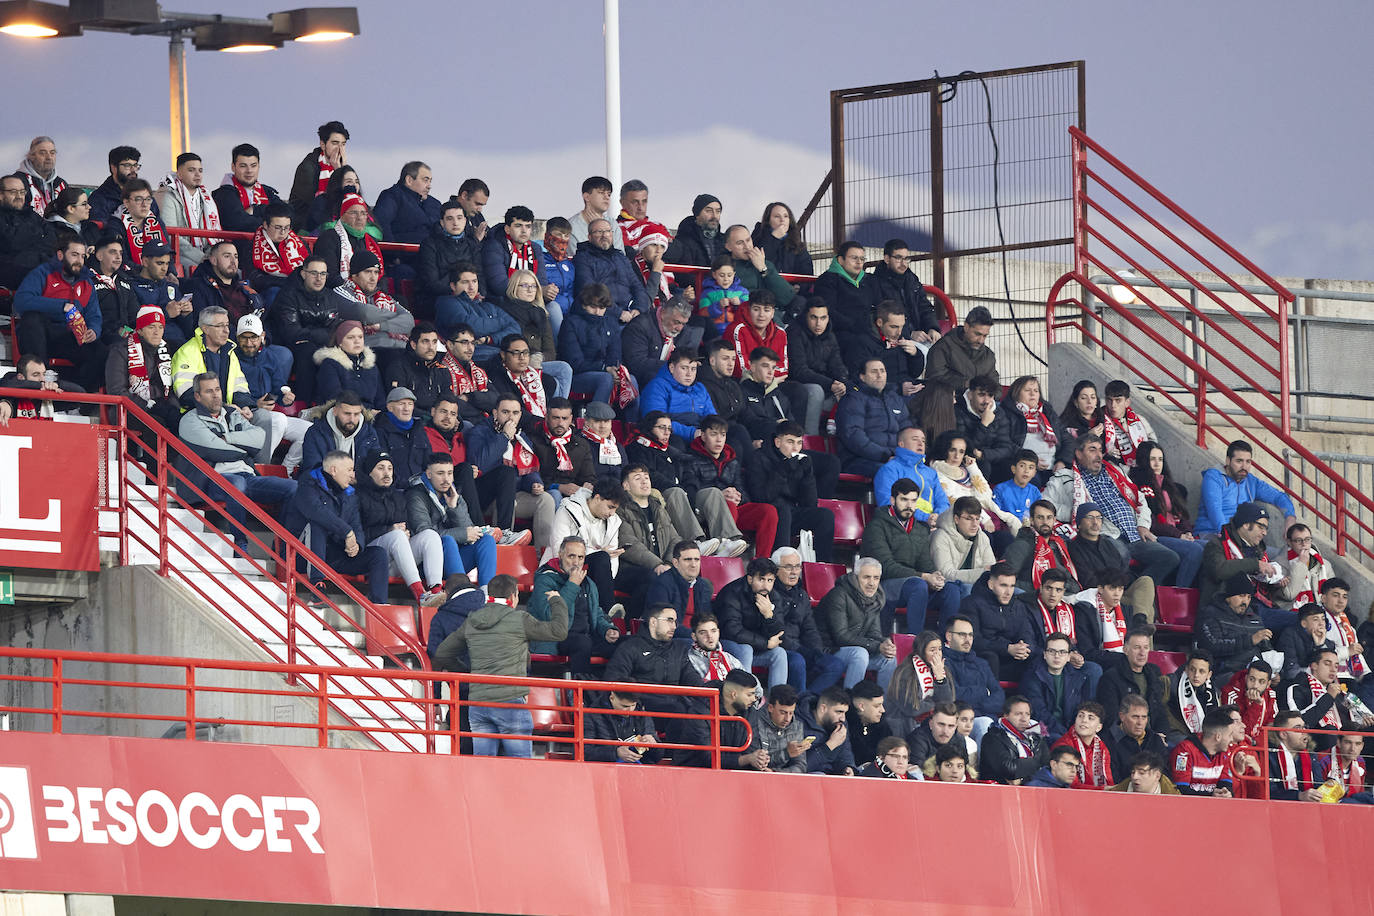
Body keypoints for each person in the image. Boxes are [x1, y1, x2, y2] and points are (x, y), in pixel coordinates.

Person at [433, 574, 569, 758]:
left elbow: (442, 654)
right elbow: (559, 631)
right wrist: (557, 601)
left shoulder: (473, 620)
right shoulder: (520, 619)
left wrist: (467, 673)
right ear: (513, 597)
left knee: (483, 766)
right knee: (519, 767)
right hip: (510, 700)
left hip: (478, 702)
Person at [1046, 434, 1199, 589]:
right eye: (1092, 450)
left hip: (1135, 534)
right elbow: (1046, 506)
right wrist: (1078, 512)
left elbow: (1140, 500)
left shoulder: (1115, 471)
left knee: (1169, 557)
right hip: (1106, 535)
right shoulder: (1064, 477)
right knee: (1121, 555)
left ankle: (1134, 592)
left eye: (1100, 450)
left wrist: (1143, 525)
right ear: (1079, 454)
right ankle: (1124, 595)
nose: (1098, 455)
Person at [604, 603, 711, 767]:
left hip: (675, 706)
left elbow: (692, 678)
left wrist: (710, 694)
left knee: (702, 708)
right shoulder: (630, 647)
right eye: (669, 620)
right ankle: (677, 760)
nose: (674, 626)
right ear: (653, 622)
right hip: (642, 708)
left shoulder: (678, 649)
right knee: (681, 710)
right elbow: (614, 679)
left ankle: (700, 759)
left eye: (675, 621)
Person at [279, 448, 389, 596]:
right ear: (334, 470)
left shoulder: (350, 494)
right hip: (299, 556)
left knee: (378, 554)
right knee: (317, 523)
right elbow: (316, 512)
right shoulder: (306, 486)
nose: (353, 475)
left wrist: (357, 545)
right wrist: (347, 533)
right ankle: (317, 585)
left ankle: (379, 607)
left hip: (334, 555)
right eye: (349, 470)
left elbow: (356, 526)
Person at [862, 478, 960, 633]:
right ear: (892, 500)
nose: (909, 506)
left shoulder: (920, 529)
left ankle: (944, 645)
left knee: (951, 590)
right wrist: (923, 576)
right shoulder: (876, 527)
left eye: (913, 501)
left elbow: (925, 564)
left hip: (913, 585)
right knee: (918, 585)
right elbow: (885, 567)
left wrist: (935, 576)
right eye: (904, 500)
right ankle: (915, 642)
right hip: (885, 586)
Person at [13, 234, 105, 391]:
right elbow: (21, 301)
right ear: (60, 255)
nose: (79, 261)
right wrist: (61, 305)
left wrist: (94, 330)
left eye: (82, 256)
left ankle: (76, 396)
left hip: (68, 336)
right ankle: (40, 383)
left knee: (101, 352)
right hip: (40, 335)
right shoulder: (43, 272)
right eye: (74, 255)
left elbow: (94, 315)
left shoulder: (87, 283)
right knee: (32, 319)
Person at [356, 450, 447, 605]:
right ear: (370, 472)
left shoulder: (398, 496)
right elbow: (357, 535)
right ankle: (420, 595)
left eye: (389, 468)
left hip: (396, 560)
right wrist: (389, 531)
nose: (386, 473)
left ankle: (435, 592)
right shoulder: (358, 496)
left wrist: (406, 533)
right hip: (371, 559)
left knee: (430, 535)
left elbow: (405, 529)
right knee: (396, 536)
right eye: (380, 468)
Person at [465, 396, 555, 549]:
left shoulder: (521, 437)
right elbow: (479, 465)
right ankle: (503, 537)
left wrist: (534, 483)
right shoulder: (480, 431)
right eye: (505, 412)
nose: (510, 417)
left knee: (545, 499)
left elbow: (529, 468)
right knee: (506, 474)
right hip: (486, 495)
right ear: (495, 413)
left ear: (520, 415)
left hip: (513, 493)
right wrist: (504, 437)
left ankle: (543, 557)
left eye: (515, 413)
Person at [681, 415, 775, 557]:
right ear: (703, 436)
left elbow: (742, 489)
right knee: (727, 503)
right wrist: (720, 494)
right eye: (714, 434)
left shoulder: (732, 461)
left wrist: (738, 496)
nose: (719, 440)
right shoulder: (690, 459)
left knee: (768, 511)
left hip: (734, 510)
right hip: (705, 511)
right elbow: (691, 490)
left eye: (723, 435)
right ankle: (726, 545)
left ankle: (762, 560)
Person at [527, 536, 620, 675]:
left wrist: (607, 629)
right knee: (583, 643)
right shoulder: (545, 579)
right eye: (571, 556)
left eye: (581, 557)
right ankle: (581, 694)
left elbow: (597, 612)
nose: (576, 562)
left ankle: (609, 693)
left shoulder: (588, 582)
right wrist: (572, 585)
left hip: (586, 637)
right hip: (556, 638)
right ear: (560, 555)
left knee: (626, 644)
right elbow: (549, 616)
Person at [746, 421, 836, 562]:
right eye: (790, 442)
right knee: (782, 510)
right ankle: (782, 562)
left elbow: (810, 504)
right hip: (768, 514)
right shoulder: (758, 458)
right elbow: (761, 497)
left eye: (799, 443)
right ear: (777, 442)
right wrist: (783, 469)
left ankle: (821, 565)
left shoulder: (800, 461)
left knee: (825, 516)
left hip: (791, 513)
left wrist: (807, 476)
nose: (795, 448)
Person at [406, 452, 499, 587]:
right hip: (426, 564)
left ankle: (487, 593)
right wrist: (462, 534)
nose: (447, 479)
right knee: (448, 540)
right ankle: (461, 591)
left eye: (450, 473)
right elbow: (424, 535)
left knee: (486, 540)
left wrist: (454, 508)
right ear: (428, 474)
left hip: (452, 562)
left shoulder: (454, 494)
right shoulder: (416, 496)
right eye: (440, 473)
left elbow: (470, 533)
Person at [233, 315, 306, 474]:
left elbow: (278, 384)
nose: (249, 343)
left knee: (309, 430)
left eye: (253, 338)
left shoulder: (268, 355)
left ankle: (284, 471)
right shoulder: (232, 357)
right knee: (278, 420)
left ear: (262, 336)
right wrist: (255, 404)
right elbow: (231, 393)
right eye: (243, 338)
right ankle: (261, 468)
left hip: (269, 411)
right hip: (247, 414)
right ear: (237, 338)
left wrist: (285, 396)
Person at [768, 546, 846, 693]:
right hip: (780, 649)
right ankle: (799, 706)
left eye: (797, 567)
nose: (794, 572)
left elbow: (810, 629)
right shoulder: (770, 593)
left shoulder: (802, 595)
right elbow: (776, 630)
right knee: (798, 661)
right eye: (788, 567)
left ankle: (807, 701)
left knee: (835, 664)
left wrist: (816, 652)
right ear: (776, 570)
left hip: (801, 649)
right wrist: (803, 651)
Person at [614, 465, 689, 614]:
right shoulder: (620, 509)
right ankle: (634, 623)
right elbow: (628, 544)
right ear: (626, 486)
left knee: (691, 574)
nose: (644, 482)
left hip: (661, 565)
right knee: (652, 578)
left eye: (646, 478)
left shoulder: (658, 508)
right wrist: (658, 565)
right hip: (629, 568)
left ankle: (676, 624)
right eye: (638, 478)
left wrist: (667, 563)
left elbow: (674, 539)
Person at [269, 255, 342, 402]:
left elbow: (335, 329)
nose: (319, 278)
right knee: (307, 351)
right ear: (303, 274)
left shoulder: (331, 296)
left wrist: (323, 337)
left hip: (320, 343)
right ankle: (304, 404)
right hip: (290, 345)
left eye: (323, 274)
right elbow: (291, 333)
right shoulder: (288, 295)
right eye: (314, 273)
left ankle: (336, 405)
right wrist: (323, 335)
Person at [1065, 505, 1157, 620]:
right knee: (1146, 609)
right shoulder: (1073, 548)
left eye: (1099, 518)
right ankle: (1140, 626)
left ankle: (1139, 622)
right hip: (1100, 595)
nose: (1095, 522)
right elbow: (1088, 580)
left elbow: (1124, 571)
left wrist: (1120, 585)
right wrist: (1114, 584)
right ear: (1079, 524)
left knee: (1146, 581)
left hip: (1119, 591)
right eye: (1090, 517)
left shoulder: (1108, 544)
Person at [819, 558, 898, 689]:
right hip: (829, 650)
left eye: (876, 578)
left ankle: (882, 706)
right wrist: (877, 646)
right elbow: (840, 636)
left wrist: (885, 644)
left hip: (856, 650)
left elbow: (874, 633)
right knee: (860, 654)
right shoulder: (838, 595)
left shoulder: (876, 598)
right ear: (855, 577)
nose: (872, 583)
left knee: (888, 658)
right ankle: (852, 703)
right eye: (866, 577)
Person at [1194, 439, 1298, 538]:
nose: (1244, 466)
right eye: (1239, 461)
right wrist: (1233, 540)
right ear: (1228, 461)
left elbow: (1278, 497)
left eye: (1248, 461)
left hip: (1242, 539)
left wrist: (1290, 518)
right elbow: (1215, 512)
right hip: (1211, 534)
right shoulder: (1213, 477)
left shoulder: (1251, 481)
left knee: (1279, 554)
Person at [930, 432, 1021, 544]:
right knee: (988, 539)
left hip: (986, 517)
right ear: (944, 450)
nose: (957, 456)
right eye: (952, 450)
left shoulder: (966, 470)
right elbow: (956, 501)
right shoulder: (937, 472)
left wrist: (973, 468)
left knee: (1008, 539)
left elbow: (986, 495)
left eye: (961, 452)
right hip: (964, 521)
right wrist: (984, 518)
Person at [1027, 568, 1105, 696]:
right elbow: (1030, 644)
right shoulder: (1029, 608)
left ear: (1063, 592)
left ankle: (1087, 713)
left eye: (1058, 590)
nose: (1053, 594)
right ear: (1040, 588)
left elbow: (1070, 642)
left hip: (1064, 659)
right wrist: (1061, 655)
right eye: (1049, 588)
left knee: (1093, 669)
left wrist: (1074, 654)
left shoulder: (1067, 610)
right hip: (1042, 659)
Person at [334, 250, 416, 371]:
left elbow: (409, 321)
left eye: (376, 272)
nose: (373, 278)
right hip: (369, 350)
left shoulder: (384, 298)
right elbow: (364, 312)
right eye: (368, 272)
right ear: (355, 275)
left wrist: (380, 326)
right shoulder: (341, 291)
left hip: (398, 347)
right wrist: (397, 317)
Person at [104, 304, 179, 433]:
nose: (157, 332)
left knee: (181, 421)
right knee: (157, 426)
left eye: (160, 327)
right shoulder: (120, 351)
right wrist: (149, 406)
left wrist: (172, 408)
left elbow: (170, 389)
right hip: (126, 410)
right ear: (139, 330)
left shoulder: (167, 350)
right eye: (151, 327)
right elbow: (116, 391)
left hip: (159, 407)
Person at [496, 269, 570, 397]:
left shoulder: (541, 313)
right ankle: (557, 412)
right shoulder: (504, 311)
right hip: (515, 361)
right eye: (525, 285)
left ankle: (558, 412)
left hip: (538, 361)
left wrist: (539, 358)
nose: (530, 290)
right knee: (562, 372)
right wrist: (528, 357)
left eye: (534, 286)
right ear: (514, 287)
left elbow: (550, 351)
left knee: (560, 374)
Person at [715, 558, 787, 683]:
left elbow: (779, 632)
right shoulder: (732, 593)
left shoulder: (774, 596)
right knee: (746, 649)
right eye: (761, 579)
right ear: (750, 579)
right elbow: (732, 630)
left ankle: (777, 699)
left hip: (756, 645)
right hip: (727, 644)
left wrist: (769, 616)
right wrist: (765, 643)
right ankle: (747, 696)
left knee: (779, 653)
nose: (766, 585)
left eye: (770, 580)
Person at [836, 357, 911, 478]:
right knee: (892, 473)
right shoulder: (853, 399)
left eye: (882, 371)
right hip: (859, 460)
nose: (879, 375)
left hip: (893, 459)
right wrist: (885, 456)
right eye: (874, 371)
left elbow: (908, 431)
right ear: (862, 377)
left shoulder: (895, 399)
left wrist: (906, 455)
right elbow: (853, 435)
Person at [785, 298, 850, 433]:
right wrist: (830, 384)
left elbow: (837, 365)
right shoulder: (795, 333)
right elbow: (799, 371)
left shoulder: (830, 335)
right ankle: (810, 438)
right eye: (814, 318)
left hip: (825, 385)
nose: (818, 323)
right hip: (799, 386)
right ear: (806, 316)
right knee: (816, 391)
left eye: (823, 318)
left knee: (851, 390)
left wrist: (841, 383)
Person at [1196, 574, 1274, 683]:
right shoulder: (1211, 614)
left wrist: (1273, 672)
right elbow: (1212, 646)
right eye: (1241, 596)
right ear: (1228, 597)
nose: (1245, 602)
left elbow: (1266, 649)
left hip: (1255, 676)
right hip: (1225, 674)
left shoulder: (1254, 618)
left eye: (1248, 597)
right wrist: (1250, 640)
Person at [1096, 626, 1171, 736]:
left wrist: (1161, 735)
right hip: (1124, 738)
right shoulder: (1110, 678)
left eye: (1145, 647)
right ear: (1125, 650)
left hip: (1151, 736)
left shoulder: (1153, 674)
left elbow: (1160, 711)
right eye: (1137, 647)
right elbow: (1111, 719)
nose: (1142, 653)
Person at [437, 263, 521, 359]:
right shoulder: (446, 303)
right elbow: (471, 327)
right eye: (465, 282)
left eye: (474, 281)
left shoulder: (488, 306)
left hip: (497, 355)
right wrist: (502, 322)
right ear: (453, 286)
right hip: (474, 357)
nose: (471, 287)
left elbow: (516, 329)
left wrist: (490, 339)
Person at [864, 239, 941, 343]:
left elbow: (925, 307)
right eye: (898, 258)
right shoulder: (875, 283)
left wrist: (932, 328)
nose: (903, 263)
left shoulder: (912, 280)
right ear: (887, 259)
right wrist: (909, 334)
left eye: (906, 259)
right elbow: (879, 319)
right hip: (896, 341)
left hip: (921, 338)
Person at [1020, 631, 1091, 743]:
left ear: (1069, 657)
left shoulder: (1079, 678)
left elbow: (1081, 709)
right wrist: (1066, 735)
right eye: (1052, 651)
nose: (1057, 656)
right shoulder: (1032, 677)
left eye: (1062, 652)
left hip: (1070, 732)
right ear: (1044, 654)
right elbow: (1039, 713)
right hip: (1042, 731)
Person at [155, 152, 220, 271]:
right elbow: (170, 236)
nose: (197, 174)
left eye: (200, 170)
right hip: (177, 254)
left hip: (205, 255)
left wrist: (214, 256)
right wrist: (204, 258)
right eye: (191, 170)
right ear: (179, 173)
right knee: (200, 270)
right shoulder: (167, 195)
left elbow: (214, 235)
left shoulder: (206, 198)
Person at [213, 144, 284, 252]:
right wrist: (272, 223)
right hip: (238, 253)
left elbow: (287, 214)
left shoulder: (267, 192)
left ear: (259, 166)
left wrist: (256, 209)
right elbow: (238, 222)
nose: (249, 170)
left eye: (253, 165)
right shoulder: (225, 193)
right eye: (243, 166)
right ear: (233, 167)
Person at [557, 283, 620, 405]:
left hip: (604, 372)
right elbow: (574, 363)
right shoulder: (570, 323)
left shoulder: (611, 323)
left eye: (602, 308)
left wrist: (616, 370)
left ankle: (631, 423)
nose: (597, 312)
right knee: (605, 379)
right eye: (593, 307)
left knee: (630, 381)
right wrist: (604, 368)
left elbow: (615, 353)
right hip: (577, 377)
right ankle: (596, 420)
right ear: (583, 305)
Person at [846, 301, 926, 396]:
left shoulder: (900, 336)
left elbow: (915, 373)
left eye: (902, 326)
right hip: (883, 396)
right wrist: (899, 389)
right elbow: (861, 381)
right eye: (894, 327)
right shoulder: (862, 343)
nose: (899, 332)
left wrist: (915, 354)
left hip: (908, 388)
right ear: (879, 322)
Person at [573, 218, 646, 323]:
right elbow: (588, 290)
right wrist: (618, 313)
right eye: (599, 232)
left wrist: (638, 308)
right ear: (589, 237)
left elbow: (637, 286)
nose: (604, 235)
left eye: (608, 231)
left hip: (631, 315)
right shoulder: (582, 258)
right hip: (603, 315)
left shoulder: (621, 257)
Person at [885, 630, 956, 737]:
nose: (937, 654)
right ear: (921, 651)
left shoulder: (943, 670)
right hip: (906, 725)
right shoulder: (905, 672)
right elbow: (912, 708)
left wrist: (940, 679)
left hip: (932, 724)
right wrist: (935, 703)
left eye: (940, 649)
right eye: (932, 650)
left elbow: (948, 705)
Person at [954, 374, 1021, 485]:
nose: (986, 400)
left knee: (1012, 468)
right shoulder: (958, 411)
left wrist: (983, 454)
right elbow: (965, 448)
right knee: (983, 466)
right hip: (965, 462)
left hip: (989, 458)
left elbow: (1006, 448)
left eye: (990, 395)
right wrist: (984, 424)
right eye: (981, 395)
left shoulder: (999, 413)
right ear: (970, 395)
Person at [417, 200, 481, 316]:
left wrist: (480, 293)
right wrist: (459, 291)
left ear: (465, 221)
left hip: (470, 299)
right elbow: (432, 283)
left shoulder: (472, 244)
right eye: (450, 219)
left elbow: (481, 275)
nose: (455, 223)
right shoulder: (429, 244)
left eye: (459, 218)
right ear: (442, 223)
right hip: (438, 300)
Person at [622, 297, 702, 387]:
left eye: (683, 324)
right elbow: (637, 364)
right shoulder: (640, 326)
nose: (679, 328)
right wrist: (673, 366)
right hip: (642, 383)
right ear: (663, 313)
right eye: (676, 322)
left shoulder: (682, 332)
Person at [640, 348, 717, 442]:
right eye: (684, 368)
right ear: (672, 368)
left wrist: (712, 432)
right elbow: (656, 421)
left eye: (693, 369)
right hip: (670, 437)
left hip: (699, 435)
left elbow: (712, 418)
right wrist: (692, 433)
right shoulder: (657, 387)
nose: (689, 374)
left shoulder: (700, 389)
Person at [372, 161, 438, 269]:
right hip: (405, 261)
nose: (429, 186)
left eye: (430, 181)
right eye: (425, 180)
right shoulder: (392, 196)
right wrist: (393, 256)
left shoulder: (434, 203)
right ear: (409, 180)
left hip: (434, 260)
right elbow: (381, 223)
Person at [872, 428, 946, 523]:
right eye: (915, 439)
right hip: (903, 525)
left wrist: (937, 516)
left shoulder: (931, 472)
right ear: (901, 444)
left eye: (923, 440)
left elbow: (943, 502)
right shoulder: (890, 469)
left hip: (933, 524)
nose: (920, 443)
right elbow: (887, 503)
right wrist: (925, 518)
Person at [930, 496, 997, 602]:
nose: (975, 524)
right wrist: (982, 573)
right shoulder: (940, 536)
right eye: (968, 519)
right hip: (945, 591)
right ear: (956, 519)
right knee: (968, 590)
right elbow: (946, 574)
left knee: (1017, 593)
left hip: (977, 586)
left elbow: (992, 568)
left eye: (977, 519)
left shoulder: (982, 537)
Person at [186, 240, 262, 333]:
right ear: (213, 260)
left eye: (236, 256)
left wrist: (265, 337)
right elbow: (204, 325)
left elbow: (262, 318)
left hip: (254, 340)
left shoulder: (244, 287)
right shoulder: (200, 286)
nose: (233, 261)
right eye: (227, 256)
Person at [1284, 647, 1363, 734]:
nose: (1333, 669)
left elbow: (1364, 715)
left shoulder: (1343, 693)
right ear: (1314, 666)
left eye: (1336, 666)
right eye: (1327, 664)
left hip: (1343, 742)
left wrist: (1363, 723)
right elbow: (1299, 724)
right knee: (1329, 731)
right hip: (1314, 741)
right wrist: (1328, 697)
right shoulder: (1297, 688)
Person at [479, 205, 549, 300]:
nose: (524, 231)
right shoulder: (493, 246)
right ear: (507, 229)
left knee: (553, 307)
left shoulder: (535, 248)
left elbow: (541, 281)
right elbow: (499, 285)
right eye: (518, 226)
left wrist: (546, 290)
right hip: (503, 301)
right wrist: (538, 290)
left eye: (528, 226)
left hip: (531, 299)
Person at [288, 121, 349, 229]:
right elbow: (314, 207)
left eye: (343, 144)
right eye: (335, 143)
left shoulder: (341, 166)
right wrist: (339, 174)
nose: (340, 149)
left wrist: (342, 171)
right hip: (307, 226)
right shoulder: (308, 168)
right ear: (323, 144)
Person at [0, 172, 56, 290]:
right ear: (1, 195)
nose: (19, 196)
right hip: (13, 281)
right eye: (13, 192)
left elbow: (52, 239)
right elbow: (12, 242)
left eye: (22, 192)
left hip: (43, 273)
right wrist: (38, 235)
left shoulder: (32, 215)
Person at [1129, 441, 1194, 539]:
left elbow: (1181, 515)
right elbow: (1153, 523)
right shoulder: (1139, 485)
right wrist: (1179, 535)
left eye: (1160, 460)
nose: (1157, 464)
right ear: (1144, 460)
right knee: (1195, 549)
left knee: (1204, 546)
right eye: (1152, 459)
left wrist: (1187, 532)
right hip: (1157, 536)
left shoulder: (1168, 485)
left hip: (1177, 534)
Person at [314, 320, 384, 410]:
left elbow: (381, 400)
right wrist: (365, 413)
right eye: (351, 337)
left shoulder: (371, 366)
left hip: (371, 417)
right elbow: (333, 398)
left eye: (360, 337)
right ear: (340, 342)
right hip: (341, 415)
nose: (357, 341)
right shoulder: (330, 364)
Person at [386, 323, 453, 416]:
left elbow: (449, 402)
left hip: (438, 420)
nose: (431, 347)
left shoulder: (442, 370)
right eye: (425, 341)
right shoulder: (398, 367)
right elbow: (400, 404)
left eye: (434, 342)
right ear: (413, 344)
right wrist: (430, 418)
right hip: (412, 419)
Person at [925, 306, 998, 392]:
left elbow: (996, 386)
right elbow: (934, 378)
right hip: (949, 402)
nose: (981, 341)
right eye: (977, 334)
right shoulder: (942, 347)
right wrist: (964, 384)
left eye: (985, 336)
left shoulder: (989, 356)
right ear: (966, 327)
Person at [301, 391, 380, 470]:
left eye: (356, 414)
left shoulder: (369, 433)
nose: (352, 419)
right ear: (335, 411)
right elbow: (312, 468)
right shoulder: (316, 432)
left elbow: (375, 465)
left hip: (358, 480)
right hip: (325, 480)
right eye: (347, 414)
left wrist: (358, 478)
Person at [980, 696, 1050, 785]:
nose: (1024, 719)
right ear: (1006, 715)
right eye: (1018, 714)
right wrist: (1036, 762)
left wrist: (1022, 780)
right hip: (998, 792)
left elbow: (1047, 767)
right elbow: (1009, 769)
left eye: (1027, 714)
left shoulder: (1037, 737)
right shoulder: (993, 737)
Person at [1101, 694, 1169, 784]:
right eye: (1135, 717)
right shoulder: (1107, 741)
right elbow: (1112, 779)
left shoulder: (1155, 740)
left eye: (1144, 717)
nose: (1140, 723)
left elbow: (1165, 774)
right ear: (1122, 716)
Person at [438, 325, 498, 425]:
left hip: (484, 422)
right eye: (464, 343)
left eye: (473, 343)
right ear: (450, 344)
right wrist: (481, 407)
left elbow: (496, 399)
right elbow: (452, 405)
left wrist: (470, 397)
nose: (470, 348)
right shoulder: (441, 369)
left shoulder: (478, 371)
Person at [1169, 708, 1237, 797]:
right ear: (1218, 737)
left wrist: (1227, 793)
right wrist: (1210, 796)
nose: (1232, 739)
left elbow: (1226, 783)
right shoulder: (1184, 751)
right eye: (1230, 735)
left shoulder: (1223, 753)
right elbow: (1180, 790)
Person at [583, 690, 662, 765]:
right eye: (624, 706)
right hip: (605, 771)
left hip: (640, 770)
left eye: (633, 705)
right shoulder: (591, 715)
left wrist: (654, 745)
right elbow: (583, 752)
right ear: (612, 697)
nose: (630, 710)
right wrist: (616, 753)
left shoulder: (642, 714)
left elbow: (657, 757)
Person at [371, 387, 431, 484]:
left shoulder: (419, 429)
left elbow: (429, 462)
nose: (406, 408)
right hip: (396, 488)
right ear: (390, 407)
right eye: (401, 404)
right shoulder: (380, 431)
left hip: (420, 488)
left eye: (410, 404)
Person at [744, 685, 809, 774]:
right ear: (770, 708)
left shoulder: (796, 726)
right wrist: (786, 754)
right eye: (783, 712)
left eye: (791, 713)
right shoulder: (755, 722)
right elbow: (755, 762)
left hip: (784, 779)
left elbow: (800, 766)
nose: (787, 719)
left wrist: (775, 772)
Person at [795, 686, 856, 775]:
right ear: (823, 708)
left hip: (833, 778)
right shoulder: (798, 723)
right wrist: (829, 746)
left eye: (844, 712)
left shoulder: (839, 723)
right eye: (839, 712)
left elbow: (845, 751)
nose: (843, 718)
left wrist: (848, 767)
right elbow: (800, 767)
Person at [1163, 650, 1218, 744]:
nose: (1196, 675)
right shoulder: (1169, 683)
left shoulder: (1214, 693)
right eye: (1192, 669)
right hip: (1174, 734)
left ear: (1209, 675)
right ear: (1186, 669)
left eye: (1202, 671)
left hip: (1202, 736)